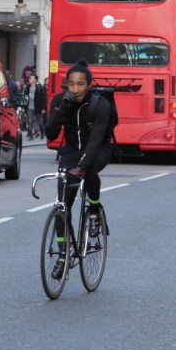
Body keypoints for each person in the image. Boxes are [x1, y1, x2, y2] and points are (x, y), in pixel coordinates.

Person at [43, 59, 113, 279]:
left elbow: (94, 143)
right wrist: (61, 109)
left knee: (90, 170)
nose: (75, 89)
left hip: (98, 147)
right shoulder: (60, 101)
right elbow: (51, 134)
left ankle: (94, 209)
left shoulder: (100, 105)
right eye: (71, 84)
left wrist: (81, 167)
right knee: (62, 203)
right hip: (71, 149)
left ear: (89, 84)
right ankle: (63, 254)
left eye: (80, 84)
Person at [25, 74, 45, 140]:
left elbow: (43, 99)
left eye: (31, 78)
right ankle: (31, 136)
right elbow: (25, 97)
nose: (29, 79)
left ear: (35, 80)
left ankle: (42, 132)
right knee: (29, 121)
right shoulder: (27, 87)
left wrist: (43, 108)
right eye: (29, 78)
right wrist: (24, 107)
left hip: (38, 108)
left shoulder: (39, 88)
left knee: (40, 122)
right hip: (29, 108)